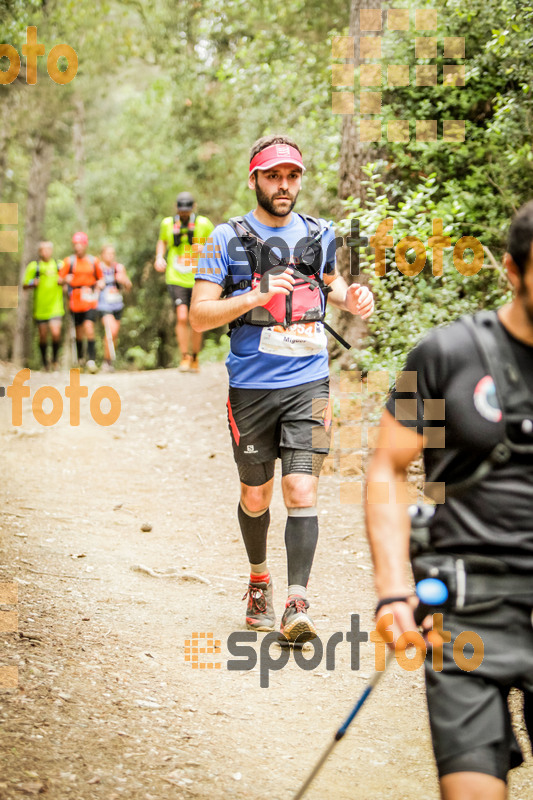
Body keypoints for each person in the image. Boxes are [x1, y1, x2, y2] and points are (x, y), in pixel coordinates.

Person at [365, 201, 533, 799]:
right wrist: (389, 591)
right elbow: (387, 465)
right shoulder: (444, 356)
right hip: (463, 616)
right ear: (512, 271)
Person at [190, 134, 374, 643]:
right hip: (250, 387)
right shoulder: (225, 238)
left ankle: (297, 600)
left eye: (292, 176)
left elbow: (330, 283)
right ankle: (258, 579)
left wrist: (353, 298)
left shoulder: (319, 231)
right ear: (254, 179)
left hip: (308, 382)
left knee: (301, 487)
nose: (284, 185)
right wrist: (256, 294)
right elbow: (200, 314)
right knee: (256, 494)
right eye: (273, 176)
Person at [155, 191, 214, 372]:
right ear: (176, 208)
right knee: (181, 316)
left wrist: (204, 248)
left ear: (193, 207)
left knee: (196, 318)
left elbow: (217, 244)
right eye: (181, 211)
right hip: (175, 276)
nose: (184, 214)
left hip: (198, 276)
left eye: (187, 210)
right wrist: (159, 257)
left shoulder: (203, 224)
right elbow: (162, 241)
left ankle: (195, 356)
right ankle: (184, 357)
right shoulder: (167, 224)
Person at [59, 232, 104, 373]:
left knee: (89, 328)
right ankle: (80, 360)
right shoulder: (69, 261)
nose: (77, 247)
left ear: (85, 245)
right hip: (74, 301)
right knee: (78, 332)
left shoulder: (93, 261)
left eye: (79, 244)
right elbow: (59, 279)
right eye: (75, 245)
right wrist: (66, 280)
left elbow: (100, 279)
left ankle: (91, 360)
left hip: (90, 300)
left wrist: (99, 286)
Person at [22, 241, 64, 370]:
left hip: (56, 306)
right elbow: (24, 284)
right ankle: (45, 362)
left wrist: (64, 280)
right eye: (43, 250)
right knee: (43, 336)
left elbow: (68, 278)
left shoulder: (59, 265)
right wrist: (32, 283)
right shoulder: (34, 267)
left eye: (48, 249)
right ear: (40, 252)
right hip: (41, 308)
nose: (46, 252)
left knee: (56, 333)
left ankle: (55, 360)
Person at [97, 244, 132, 371]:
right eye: (107, 253)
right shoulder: (98, 268)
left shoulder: (119, 268)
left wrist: (124, 280)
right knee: (110, 331)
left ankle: (109, 360)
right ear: (102, 255)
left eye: (112, 253)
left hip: (117, 304)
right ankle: (106, 361)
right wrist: (97, 284)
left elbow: (128, 286)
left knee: (115, 334)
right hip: (103, 304)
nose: (110, 256)